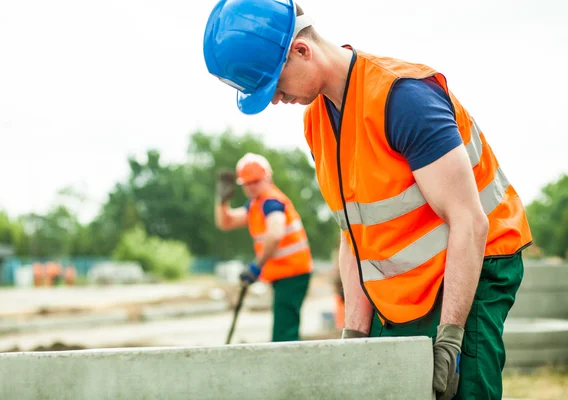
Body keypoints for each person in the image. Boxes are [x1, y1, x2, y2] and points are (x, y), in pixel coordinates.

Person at [202, 1, 533, 399]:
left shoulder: (404, 98)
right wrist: (354, 336)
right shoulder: (317, 121)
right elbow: (352, 235)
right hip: (407, 277)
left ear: (301, 51)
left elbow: (470, 222)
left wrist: (449, 340)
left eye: (275, 85)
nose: (275, 100)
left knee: (461, 387)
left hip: (476, 260)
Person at [215, 152, 313, 342]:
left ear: (268, 177)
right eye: (247, 183)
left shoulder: (271, 202)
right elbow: (225, 223)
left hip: (292, 272)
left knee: (284, 333)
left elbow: (275, 234)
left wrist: (256, 266)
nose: (252, 187)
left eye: (256, 181)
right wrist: (221, 202)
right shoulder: (256, 205)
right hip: (286, 273)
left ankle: (286, 368)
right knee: (284, 328)